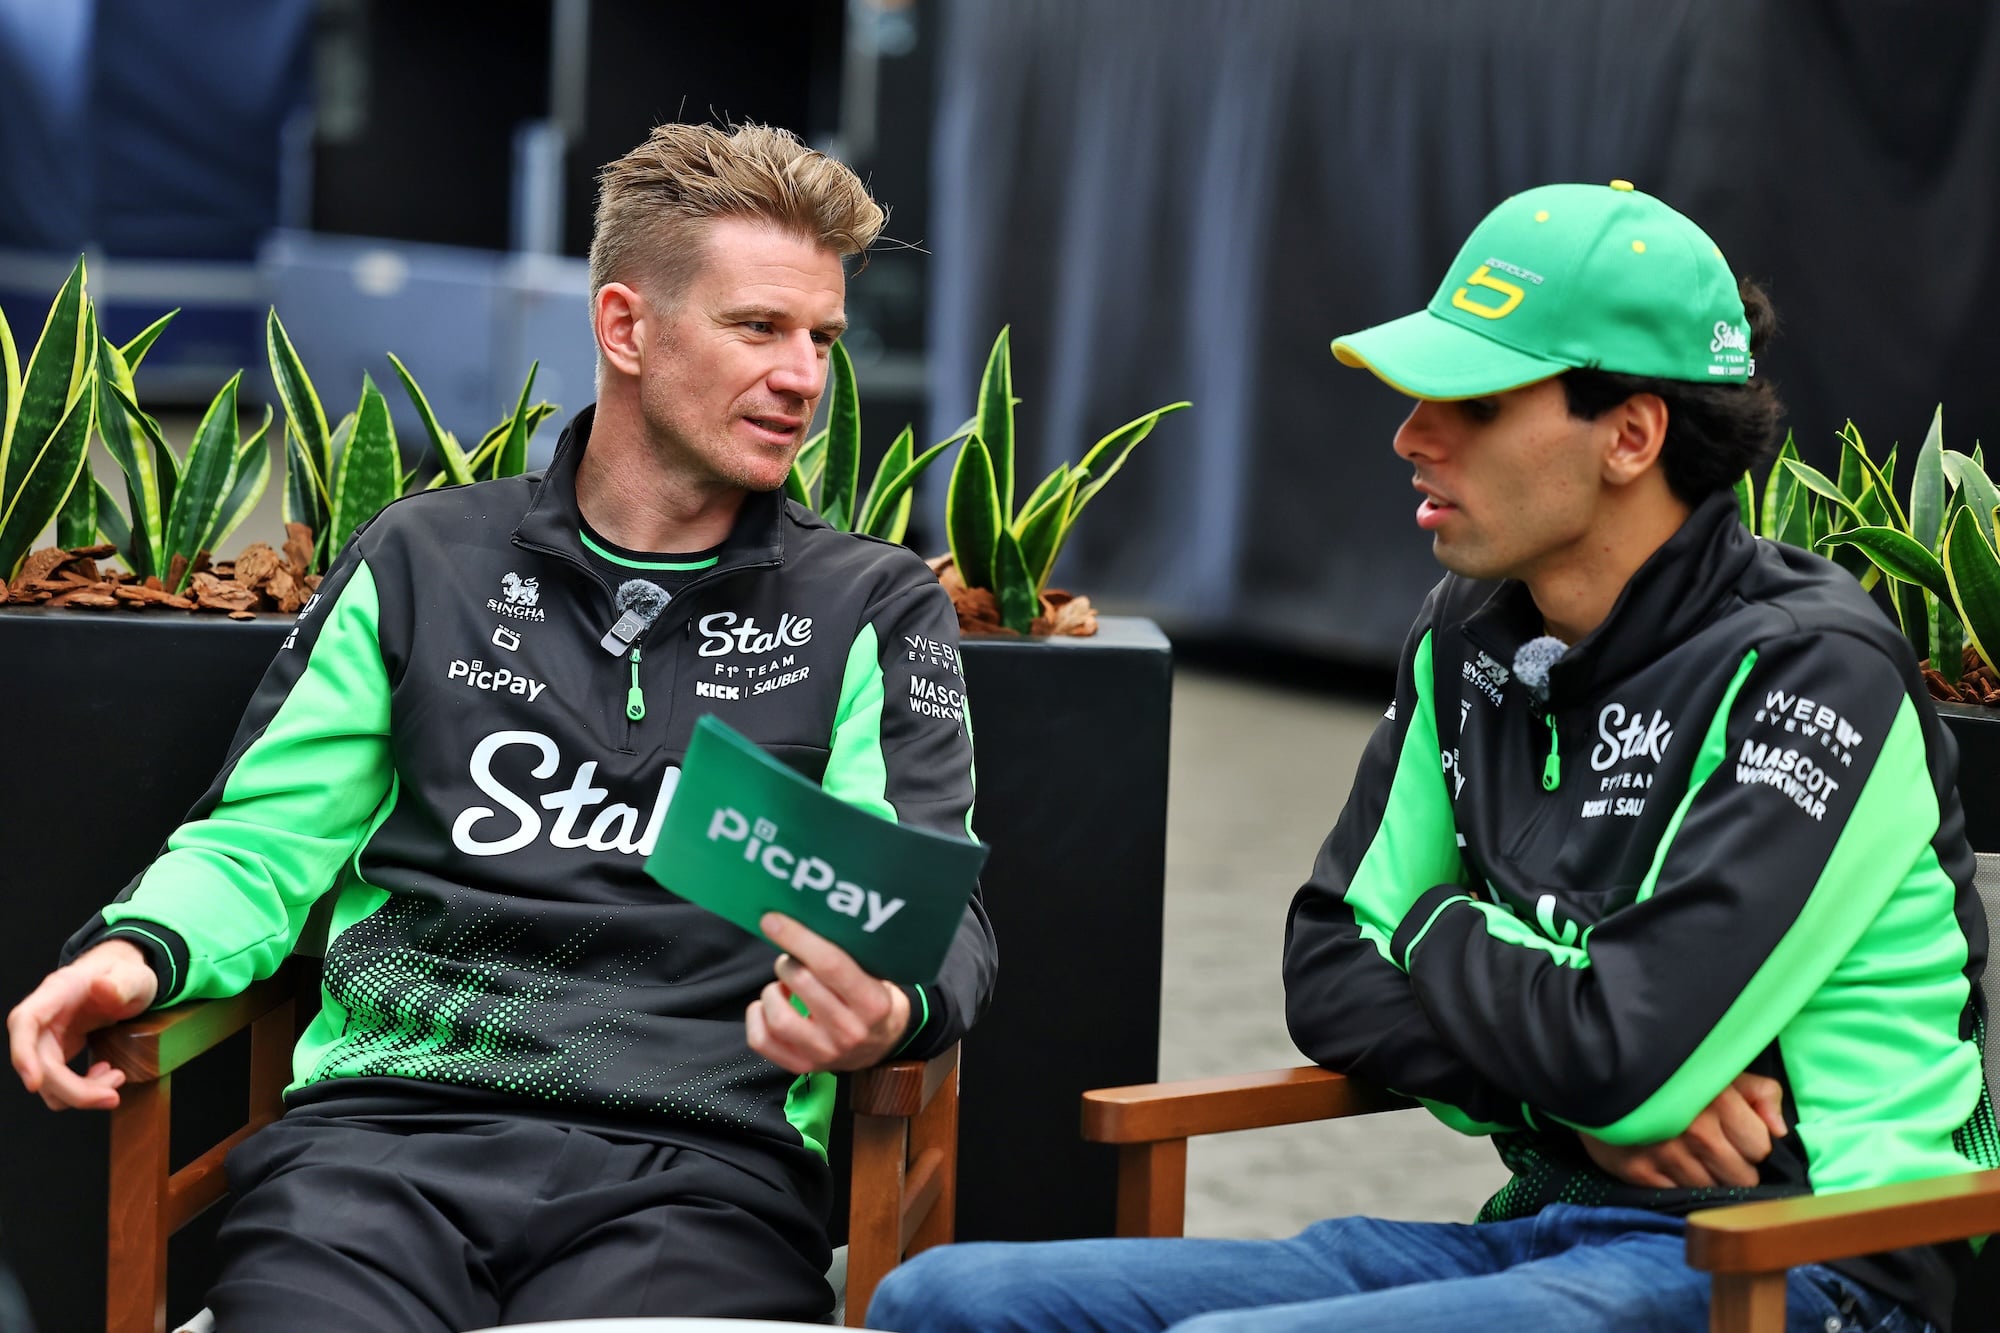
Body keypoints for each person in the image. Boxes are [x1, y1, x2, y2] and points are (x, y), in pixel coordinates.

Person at [867, 181, 1994, 1332]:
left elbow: (1620, 1048)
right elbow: (1325, 971)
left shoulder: (1812, 669)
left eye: (1474, 404)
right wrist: (1572, 1098)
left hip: (1801, 1260)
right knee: (944, 1300)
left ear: (1631, 435)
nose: (1411, 435)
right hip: (1551, 1219)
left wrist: (1426, 923)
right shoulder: (1466, 630)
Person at [7, 121, 996, 1330]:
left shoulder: (869, 604)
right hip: (380, 1144)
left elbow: (925, 910)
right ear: (625, 327)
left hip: (698, 1168)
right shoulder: (424, 557)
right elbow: (261, 845)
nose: (803, 376)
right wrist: (131, 951)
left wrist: (883, 1006)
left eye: (821, 338)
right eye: (758, 328)